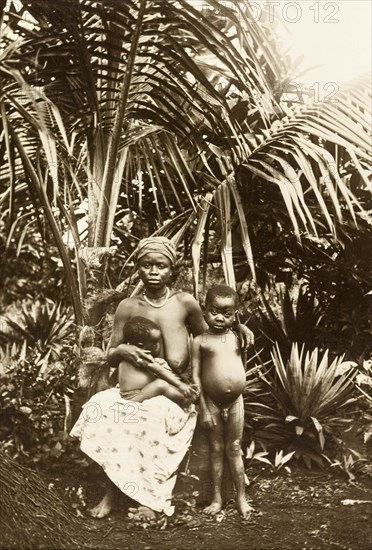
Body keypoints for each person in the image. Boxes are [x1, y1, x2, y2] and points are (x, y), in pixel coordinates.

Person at [70, 237, 254, 521]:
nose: (154, 272)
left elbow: (212, 332)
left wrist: (238, 325)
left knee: (150, 418)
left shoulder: (185, 303)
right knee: (102, 409)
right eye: (146, 265)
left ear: (172, 270)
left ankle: (151, 499)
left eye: (161, 266)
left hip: (170, 392)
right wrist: (122, 349)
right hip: (132, 388)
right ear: (138, 269)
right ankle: (112, 491)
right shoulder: (128, 307)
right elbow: (110, 357)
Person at [192, 284, 253, 519]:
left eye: (227, 314)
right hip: (212, 403)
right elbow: (196, 376)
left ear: (235, 315)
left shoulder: (238, 336)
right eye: (214, 312)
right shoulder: (200, 341)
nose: (219, 318)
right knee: (216, 450)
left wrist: (241, 326)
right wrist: (204, 409)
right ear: (204, 310)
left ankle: (241, 498)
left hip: (236, 402)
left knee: (234, 449)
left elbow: (241, 364)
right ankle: (217, 498)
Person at [118, 315, 199, 405]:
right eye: (154, 343)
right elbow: (159, 370)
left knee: (163, 385)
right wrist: (181, 385)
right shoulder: (139, 355)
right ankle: (184, 401)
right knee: (161, 384)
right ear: (141, 346)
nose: (158, 346)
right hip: (134, 396)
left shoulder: (128, 353)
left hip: (137, 392)